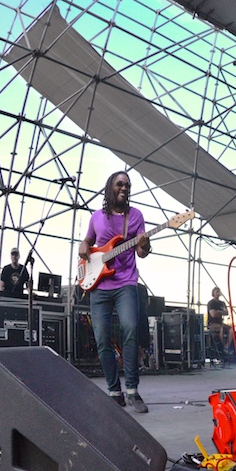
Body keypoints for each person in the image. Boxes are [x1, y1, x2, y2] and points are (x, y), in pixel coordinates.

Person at [78, 171, 151, 412]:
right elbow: (88, 241)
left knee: (130, 329)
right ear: (110, 187)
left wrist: (144, 244)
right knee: (101, 339)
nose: (124, 187)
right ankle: (114, 391)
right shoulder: (96, 217)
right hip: (99, 285)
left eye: (128, 185)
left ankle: (132, 390)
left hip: (126, 282)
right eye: (120, 183)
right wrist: (83, 246)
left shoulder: (136, 216)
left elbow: (141, 253)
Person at [207, 286, 232, 352]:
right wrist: (221, 312)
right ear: (213, 293)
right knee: (222, 329)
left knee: (231, 330)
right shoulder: (211, 303)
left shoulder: (222, 303)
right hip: (212, 324)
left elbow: (226, 312)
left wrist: (218, 311)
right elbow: (213, 315)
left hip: (220, 323)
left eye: (219, 292)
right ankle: (223, 347)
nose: (218, 293)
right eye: (216, 292)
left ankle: (227, 346)